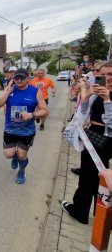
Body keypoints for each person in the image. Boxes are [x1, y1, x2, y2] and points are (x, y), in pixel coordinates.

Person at [62, 61, 112, 224]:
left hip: (107, 138)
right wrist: (87, 91)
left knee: (96, 177)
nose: (106, 78)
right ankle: (91, 212)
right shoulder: (98, 90)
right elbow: (83, 109)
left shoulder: (106, 95)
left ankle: (87, 212)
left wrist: (107, 100)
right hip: (93, 135)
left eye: (110, 74)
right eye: (102, 75)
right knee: (90, 176)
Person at [0, 68, 48, 184]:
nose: (19, 80)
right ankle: (14, 156)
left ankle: (21, 171)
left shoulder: (35, 91)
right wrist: (7, 91)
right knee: (8, 155)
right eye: (16, 78)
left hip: (27, 131)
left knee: (22, 155)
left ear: (28, 77)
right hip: (10, 129)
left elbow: (45, 111)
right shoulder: (10, 89)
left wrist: (32, 115)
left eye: (22, 77)